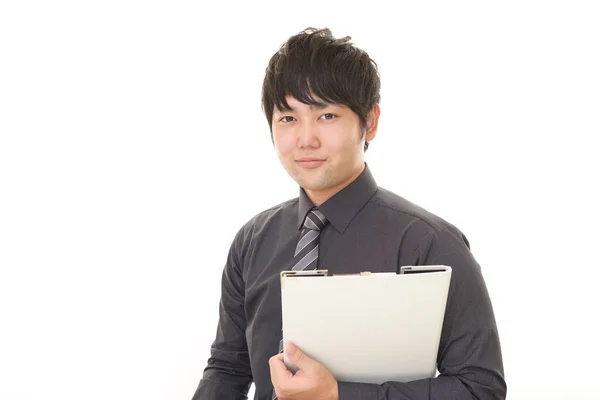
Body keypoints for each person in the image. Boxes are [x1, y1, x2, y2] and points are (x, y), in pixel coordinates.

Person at [192, 27, 506, 400]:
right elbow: (228, 368)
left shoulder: (430, 243)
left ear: (369, 121)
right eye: (288, 118)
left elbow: (480, 388)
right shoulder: (252, 240)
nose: (306, 139)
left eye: (326, 116)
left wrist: (339, 395)